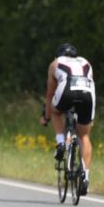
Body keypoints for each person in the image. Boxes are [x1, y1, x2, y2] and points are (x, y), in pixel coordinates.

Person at [40, 42, 95, 195]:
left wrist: (46, 116)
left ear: (58, 55)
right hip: (88, 93)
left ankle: (60, 143)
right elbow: (90, 83)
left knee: (56, 111)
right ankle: (85, 176)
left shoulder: (55, 64)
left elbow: (50, 94)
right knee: (84, 135)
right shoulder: (86, 62)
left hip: (67, 90)